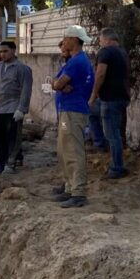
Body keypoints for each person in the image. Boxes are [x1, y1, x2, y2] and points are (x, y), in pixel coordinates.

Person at [52, 25, 94, 208]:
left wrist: (58, 85)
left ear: (74, 40)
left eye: (66, 38)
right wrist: (58, 84)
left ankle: (78, 192)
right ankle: (70, 187)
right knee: (65, 151)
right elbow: (56, 82)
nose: (63, 42)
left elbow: (57, 84)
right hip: (68, 111)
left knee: (73, 152)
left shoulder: (77, 62)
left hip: (73, 111)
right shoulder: (75, 61)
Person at [89, 28, 131, 179]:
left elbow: (100, 74)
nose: (100, 43)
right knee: (92, 113)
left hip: (110, 99)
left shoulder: (106, 52)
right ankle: (99, 144)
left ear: (106, 39)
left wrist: (93, 95)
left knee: (112, 134)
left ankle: (116, 168)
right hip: (121, 97)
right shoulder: (122, 52)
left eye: (100, 40)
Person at [0, 41, 32, 175]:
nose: (2, 54)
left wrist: (22, 109)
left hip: (13, 108)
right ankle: (0, 164)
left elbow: (26, 90)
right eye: (1, 52)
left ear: (13, 51)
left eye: (5, 51)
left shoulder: (22, 69)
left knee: (13, 137)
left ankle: (11, 163)